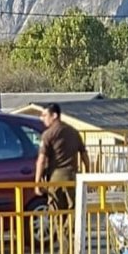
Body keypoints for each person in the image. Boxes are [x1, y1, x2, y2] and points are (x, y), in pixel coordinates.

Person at [34, 104, 89, 246]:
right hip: (73, 178)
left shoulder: (48, 135)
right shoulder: (73, 132)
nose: (42, 119)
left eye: (45, 115)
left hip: (56, 179)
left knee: (57, 212)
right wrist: (87, 175)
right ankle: (70, 239)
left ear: (54, 115)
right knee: (73, 210)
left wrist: (37, 182)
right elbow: (84, 155)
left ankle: (64, 244)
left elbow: (41, 160)